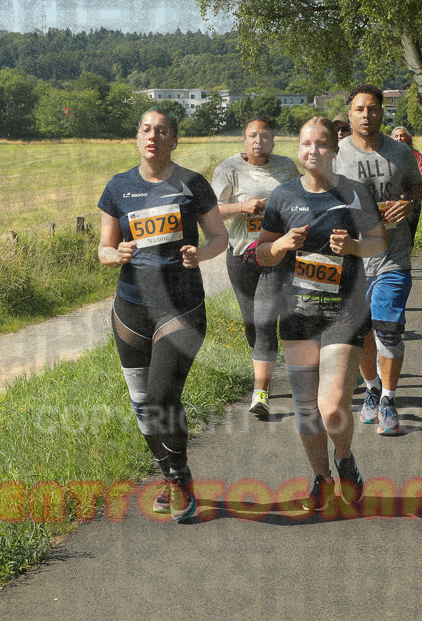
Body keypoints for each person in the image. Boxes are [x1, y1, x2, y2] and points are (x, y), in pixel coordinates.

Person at [98, 107, 228, 523]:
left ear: (174, 140)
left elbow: (219, 237)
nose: (153, 136)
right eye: (145, 129)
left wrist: (199, 253)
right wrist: (113, 254)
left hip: (181, 307)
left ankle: (180, 479)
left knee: (160, 398)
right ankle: (172, 478)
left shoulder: (192, 184)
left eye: (162, 131)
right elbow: (103, 249)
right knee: (142, 406)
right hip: (130, 309)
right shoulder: (117, 188)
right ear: (137, 138)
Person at [256, 116, 388, 509]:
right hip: (297, 316)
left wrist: (352, 248)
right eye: (305, 144)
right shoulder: (282, 197)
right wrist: (281, 244)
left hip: (343, 314)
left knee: (331, 408)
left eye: (320, 144)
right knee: (305, 410)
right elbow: (261, 255)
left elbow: (378, 243)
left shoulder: (354, 193)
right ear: (298, 149)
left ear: (334, 150)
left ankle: (345, 460)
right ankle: (320, 478)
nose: (312, 150)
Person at [333, 85, 422, 437]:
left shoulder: (400, 152)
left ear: (382, 112)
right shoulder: (336, 154)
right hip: (353, 262)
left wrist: (410, 204)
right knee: (363, 334)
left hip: (392, 256)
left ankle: (388, 400)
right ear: (350, 113)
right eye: (359, 109)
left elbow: (416, 185)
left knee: (387, 328)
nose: (366, 115)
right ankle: (371, 388)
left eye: (373, 109)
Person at [212, 116, 301, 417]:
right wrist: (243, 207)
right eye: (253, 136)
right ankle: (263, 363)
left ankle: (259, 394)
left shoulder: (287, 167)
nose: (259, 141)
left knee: (265, 322)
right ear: (244, 139)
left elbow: (301, 201)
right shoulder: (228, 169)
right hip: (241, 255)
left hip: (275, 254)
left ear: (273, 140)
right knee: (251, 322)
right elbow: (212, 213)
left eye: (265, 136)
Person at [391, 125, 422, 241]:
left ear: (408, 138)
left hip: (411, 201)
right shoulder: (388, 157)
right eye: (396, 136)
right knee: (392, 236)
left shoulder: (416, 155)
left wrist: (407, 194)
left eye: (402, 135)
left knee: (409, 238)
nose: (399, 138)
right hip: (392, 202)